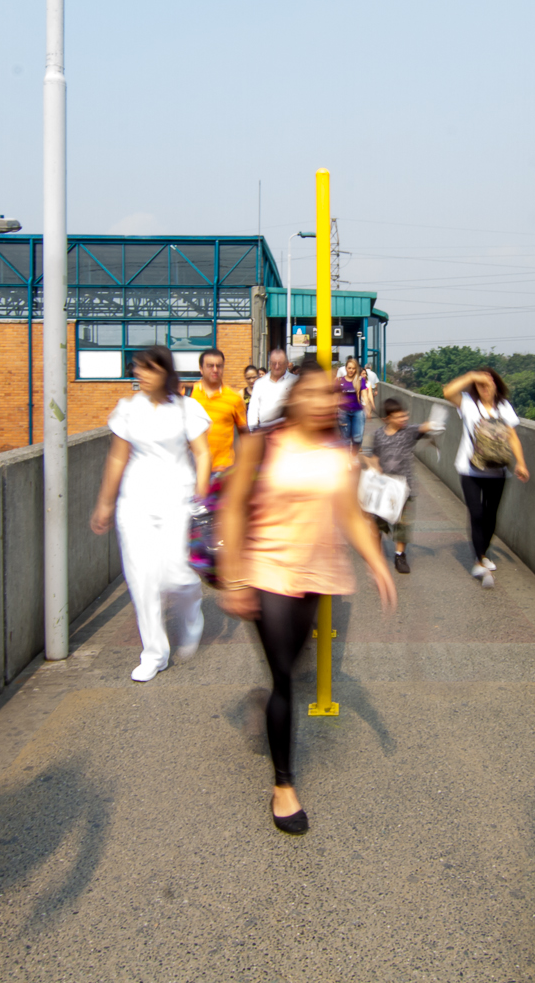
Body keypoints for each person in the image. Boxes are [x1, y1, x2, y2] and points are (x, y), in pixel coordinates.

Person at [215, 364, 397, 834]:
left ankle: (267, 703)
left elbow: (351, 514)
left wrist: (377, 564)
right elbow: (233, 507)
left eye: (331, 395)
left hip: (318, 574)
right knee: (283, 677)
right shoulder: (262, 443)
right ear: (294, 398)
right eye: (314, 394)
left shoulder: (339, 454)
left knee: (291, 667)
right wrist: (234, 581)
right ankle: (284, 786)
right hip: (267, 569)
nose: (325, 402)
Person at [90, 345, 213, 682]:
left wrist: (201, 493)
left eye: (148, 369)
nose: (140, 374)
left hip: (178, 499)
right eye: (137, 368)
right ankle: (154, 653)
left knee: (175, 573)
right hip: (135, 502)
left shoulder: (187, 409)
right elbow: (117, 457)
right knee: (141, 577)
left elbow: (203, 454)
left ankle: (191, 612)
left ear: (165, 373)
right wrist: (105, 501)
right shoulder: (127, 409)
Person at [443, 368, 529, 588]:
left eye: (488, 384)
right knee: (477, 513)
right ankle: (479, 559)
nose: (484, 388)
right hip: (469, 468)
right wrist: (471, 376)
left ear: (496, 385)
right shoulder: (468, 403)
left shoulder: (504, 407)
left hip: (497, 470)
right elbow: (447, 392)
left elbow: (513, 438)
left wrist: (520, 462)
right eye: (480, 385)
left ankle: (484, 552)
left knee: (491, 515)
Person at [362, 397, 437, 574]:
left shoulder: (409, 431)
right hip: (384, 488)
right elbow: (371, 455)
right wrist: (374, 466)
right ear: (387, 418)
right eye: (398, 417)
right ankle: (375, 554)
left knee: (403, 524)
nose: (404, 419)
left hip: (405, 487)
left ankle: (399, 555)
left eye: (405, 416)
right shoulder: (379, 435)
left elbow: (423, 427)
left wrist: (434, 423)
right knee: (377, 524)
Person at [187, 348, 248, 475]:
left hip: (222, 470)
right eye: (210, 366)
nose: (215, 370)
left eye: (219, 366)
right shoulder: (187, 395)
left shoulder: (234, 398)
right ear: (201, 368)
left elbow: (245, 435)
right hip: (192, 468)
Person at [246, 347, 297, 431]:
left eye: (280, 363)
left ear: (287, 363)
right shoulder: (260, 383)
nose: (277, 367)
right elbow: (253, 409)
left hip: (289, 431)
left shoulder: (295, 381)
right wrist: (252, 430)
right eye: (274, 363)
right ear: (269, 364)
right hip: (265, 430)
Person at [336, 356, 371, 449]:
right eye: (349, 368)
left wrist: (368, 408)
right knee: (345, 439)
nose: (351, 370)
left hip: (358, 412)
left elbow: (364, 395)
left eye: (353, 368)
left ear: (356, 369)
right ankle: (348, 461)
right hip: (343, 412)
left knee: (357, 438)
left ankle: (354, 456)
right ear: (346, 368)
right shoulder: (339, 381)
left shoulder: (360, 380)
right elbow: (335, 397)